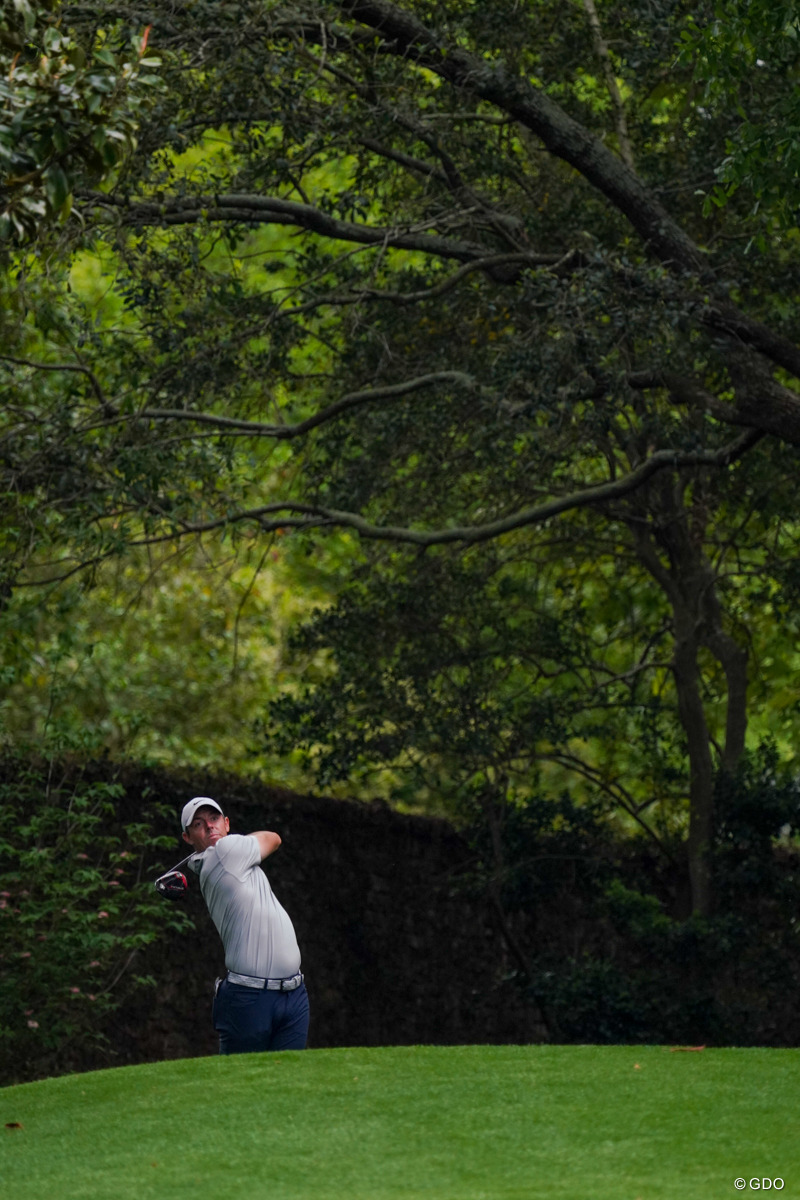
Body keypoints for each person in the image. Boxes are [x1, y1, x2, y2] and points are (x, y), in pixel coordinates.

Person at [180, 795, 310, 1054]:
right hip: (250, 998)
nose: (209, 827)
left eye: (214, 819)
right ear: (188, 838)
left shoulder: (227, 856)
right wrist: (234, 839)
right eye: (198, 824)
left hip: (293, 993)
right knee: (238, 1087)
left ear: (226, 823)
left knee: (287, 1085)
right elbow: (273, 838)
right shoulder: (226, 852)